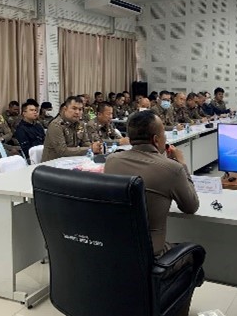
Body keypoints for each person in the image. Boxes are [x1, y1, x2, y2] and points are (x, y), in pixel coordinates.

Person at [103, 110, 199, 316]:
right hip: (153, 256)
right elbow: (191, 206)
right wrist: (181, 164)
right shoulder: (172, 169)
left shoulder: (112, 161)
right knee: (192, 257)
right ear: (156, 139)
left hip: (116, 251)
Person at [41, 96, 102, 162]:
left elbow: (85, 142)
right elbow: (62, 151)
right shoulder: (56, 125)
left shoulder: (80, 124)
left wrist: (96, 147)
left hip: (72, 161)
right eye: (74, 108)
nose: (77, 112)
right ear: (65, 109)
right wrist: (90, 149)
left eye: (80, 109)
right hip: (52, 164)